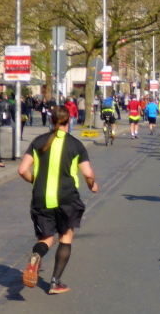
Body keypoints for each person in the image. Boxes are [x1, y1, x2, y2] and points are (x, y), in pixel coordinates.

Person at [18, 106, 98, 294]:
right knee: (65, 238)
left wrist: (35, 181)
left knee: (46, 238)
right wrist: (92, 185)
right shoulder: (75, 144)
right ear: (69, 121)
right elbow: (88, 173)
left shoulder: (38, 141)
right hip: (66, 198)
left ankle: (36, 255)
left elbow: (22, 170)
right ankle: (55, 282)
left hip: (41, 198)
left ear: (51, 120)